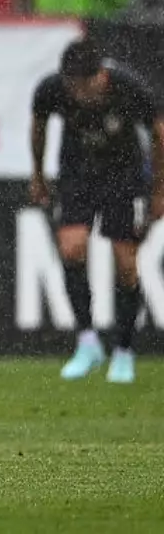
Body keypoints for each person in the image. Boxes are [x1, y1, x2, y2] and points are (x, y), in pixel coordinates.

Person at [30, 40, 164, 385]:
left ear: (100, 77)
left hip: (124, 176)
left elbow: (160, 135)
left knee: (126, 263)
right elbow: (39, 125)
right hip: (78, 174)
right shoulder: (52, 90)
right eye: (70, 85)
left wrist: (159, 191)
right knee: (71, 247)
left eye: (82, 85)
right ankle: (87, 341)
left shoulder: (128, 89)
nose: (76, 93)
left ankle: (123, 351)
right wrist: (38, 174)